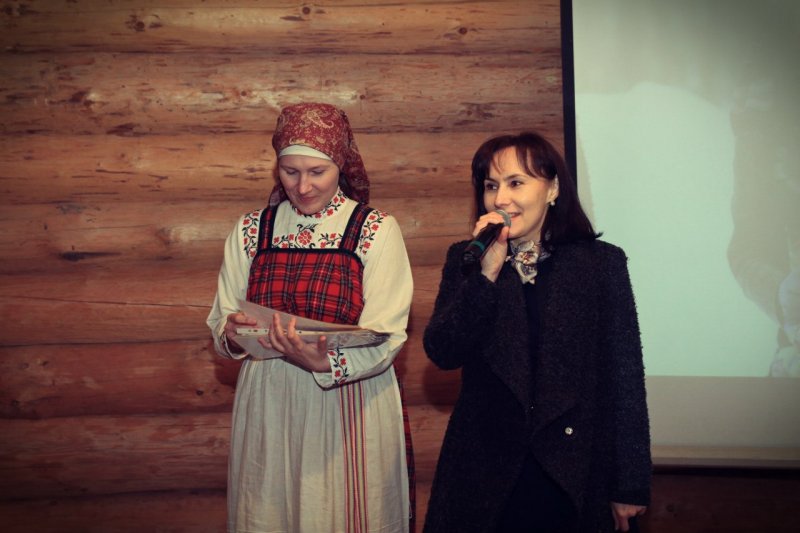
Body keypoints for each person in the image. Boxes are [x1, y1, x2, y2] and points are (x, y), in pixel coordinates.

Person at [422, 132, 651, 532]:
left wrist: (628, 484)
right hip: (485, 473)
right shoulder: (467, 259)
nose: (501, 199)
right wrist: (486, 275)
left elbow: (625, 378)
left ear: (553, 189)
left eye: (516, 183)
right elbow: (443, 351)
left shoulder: (601, 265)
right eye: (491, 186)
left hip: (571, 469)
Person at [207, 102, 415, 533]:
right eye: (291, 172)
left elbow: (388, 333)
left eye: (317, 172)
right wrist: (231, 330)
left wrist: (323, 361)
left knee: (338, 512)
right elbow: (221, 317)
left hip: (346, 400)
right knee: (270, 513)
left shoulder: (374, 230)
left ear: (340, 165)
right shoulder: (252, 230)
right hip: (270, 400)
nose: (302, 187)